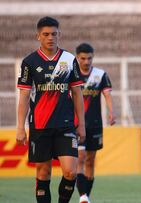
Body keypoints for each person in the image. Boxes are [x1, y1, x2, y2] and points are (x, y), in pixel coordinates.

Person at [16, 16, 85, 203]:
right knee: (43, 172)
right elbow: (23, 97)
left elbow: (77, 93)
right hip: (40, 125)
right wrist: (20, 127)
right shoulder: (29, 62)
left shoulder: (69, 59)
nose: (50, 38)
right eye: (45, 34)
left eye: (54, 34)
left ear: (59, 35)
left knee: (70, 171)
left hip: (65, 125)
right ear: (38, 36)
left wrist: (82, 125)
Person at [75, 43, 116, 203]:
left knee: (91, 160)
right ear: (77, 57)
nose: (86, 61)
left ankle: (86, 196)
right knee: (80, 157)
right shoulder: (72, 74)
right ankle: (82, 196)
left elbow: (107, 95)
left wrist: (112, 112)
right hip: (76, 124)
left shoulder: (100, 75)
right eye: (83, 58)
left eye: (89, 58)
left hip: (95, 124)